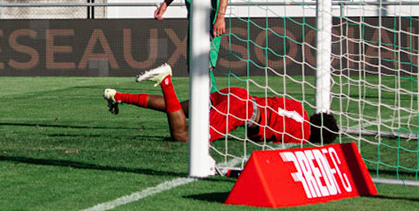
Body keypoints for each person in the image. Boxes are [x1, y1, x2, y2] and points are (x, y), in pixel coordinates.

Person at [107, 68, 337, 145]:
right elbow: (260, 137)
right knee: (183, 136)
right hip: (241, 111)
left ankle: (118, 96)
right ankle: (166, 80)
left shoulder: (298, 107)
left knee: (180, 108)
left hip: (239, 94)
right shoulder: (301, 136)